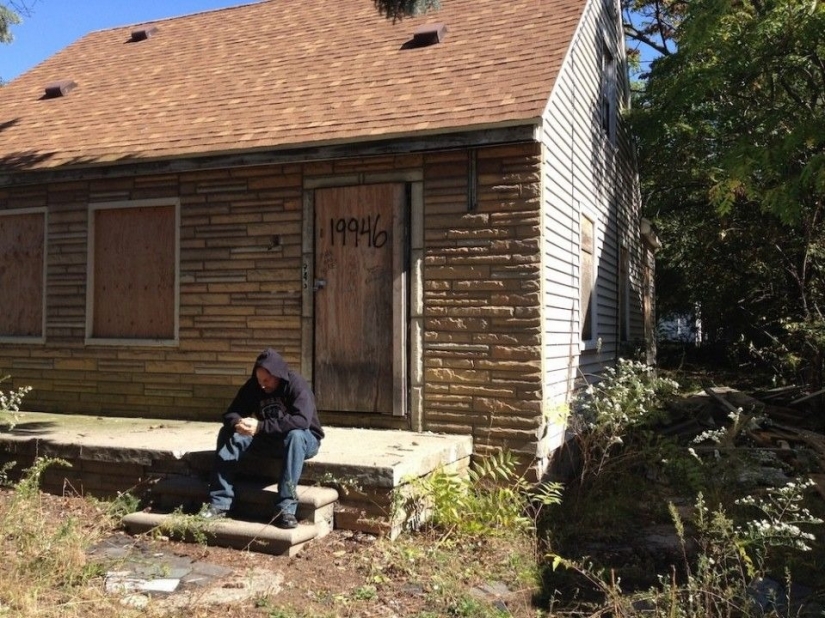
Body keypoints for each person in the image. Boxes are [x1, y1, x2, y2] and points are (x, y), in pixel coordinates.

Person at [201, 347, 324, 529]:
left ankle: (286, 509)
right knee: (227, 432)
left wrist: (260, 426)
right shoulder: (254, 386)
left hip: (305, 440)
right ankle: (220, 502)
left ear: (278, 375)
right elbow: (230, 413)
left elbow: (302, 420)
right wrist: (237, 423)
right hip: (268, 439)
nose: (262, 385)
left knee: (295, 436)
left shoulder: (296, 384)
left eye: (266, 380)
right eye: (259, 380)